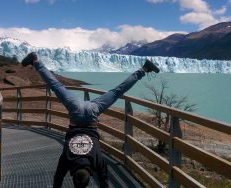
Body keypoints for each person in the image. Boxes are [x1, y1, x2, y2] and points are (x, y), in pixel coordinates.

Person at [21, 52, 160, 188]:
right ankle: (36, 61)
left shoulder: (96, 159)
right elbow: (58, 178)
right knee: (57, 86)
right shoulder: (67, 159)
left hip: (93, 112)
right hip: (76, 110)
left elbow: (104, 177)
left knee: (117, 91)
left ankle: (144, 69)